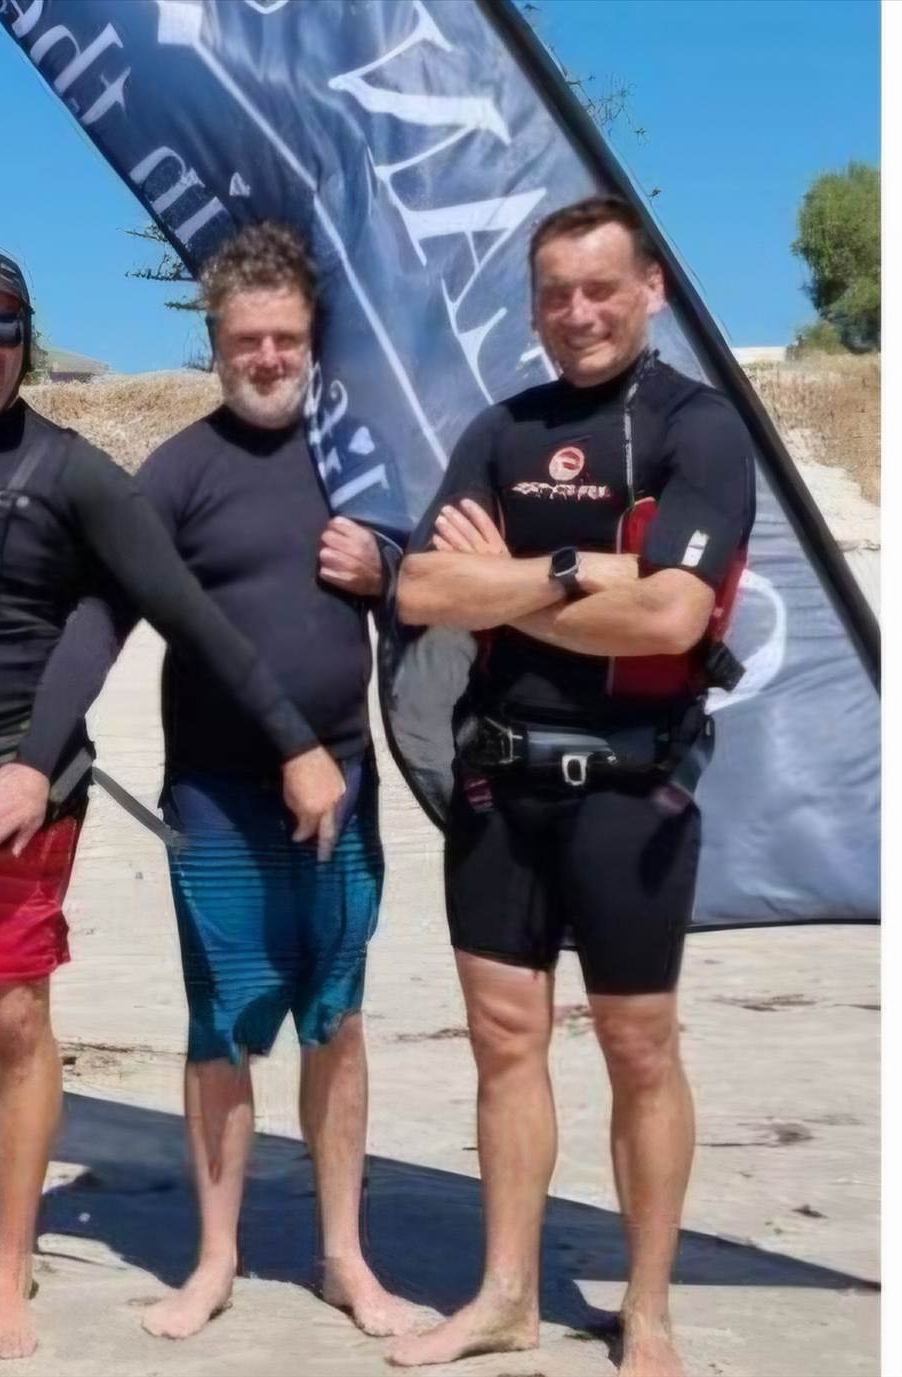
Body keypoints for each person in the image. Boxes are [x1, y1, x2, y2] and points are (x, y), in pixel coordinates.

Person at [0, 245, 346, 1362]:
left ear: (26, 342)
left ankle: (7, 1266)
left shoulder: (72, 469)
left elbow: (185, 612)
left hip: (22, 794)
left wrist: (294, 742)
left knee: (14, 1019)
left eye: (3, 327)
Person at [383, 196, 753, 1377]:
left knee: (638, 1048)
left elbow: (671, 614)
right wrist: (574, 566)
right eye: (555, 294)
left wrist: (508, 580)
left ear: (650, 289)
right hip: (500, 785)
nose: (578, 312)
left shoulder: (700, 428)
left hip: (630, 790)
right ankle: (505, 1295)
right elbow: (421, 593)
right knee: (503, 1040)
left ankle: (646, 1312)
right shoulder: (502, 430)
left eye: (601, 288)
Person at [29, 223, 419, 1339]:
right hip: (217, 795)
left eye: (285, 338)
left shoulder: (358, 459)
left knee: (335, 1018)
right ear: (214, 346)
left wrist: (387, 566)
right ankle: (214, 1258)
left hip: (342, 779)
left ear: (313, 341)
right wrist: (33, 752)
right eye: (246, 340)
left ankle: (344, 1255)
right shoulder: (179, 473)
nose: (267, 357)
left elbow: (445, 581)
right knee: (224, 1023)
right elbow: (102, 615)